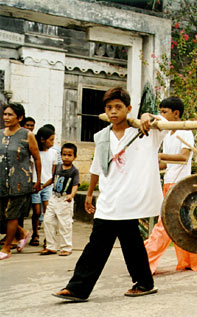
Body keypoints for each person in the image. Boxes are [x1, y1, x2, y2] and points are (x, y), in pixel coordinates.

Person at [53, 87, 166, 301]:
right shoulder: (104, 136)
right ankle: (141, 283)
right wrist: (89, 194)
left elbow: (162, 122)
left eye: (118, 107)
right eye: (109, 108)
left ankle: (81, 288)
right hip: (109, 198)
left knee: (118, 244)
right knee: (112, 243)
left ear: (128, 109)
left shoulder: (144, 131)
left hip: (130, 199)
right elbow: (97, 166)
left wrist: (146, 116)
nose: (113, 112)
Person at [144, 96, 197, 273]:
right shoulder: (167, 134)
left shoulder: (185, 131)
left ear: (176, 113)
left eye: (164, 112)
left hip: (180, 185)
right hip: (169, 182)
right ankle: (195, 258)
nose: (161, 115)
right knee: (182, 224)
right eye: (160, 112)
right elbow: (167, 163)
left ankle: (145, 259)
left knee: (166, 225)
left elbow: (183, 158)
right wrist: (151, 163)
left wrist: (160, 157)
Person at [0, 103, 41, 260]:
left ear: (20, 117)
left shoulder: (27, 134)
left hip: (19, 181)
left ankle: (7, 247)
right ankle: (22, 233)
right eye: (5, 114)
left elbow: (36, 158)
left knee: (12, 215)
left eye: (10, 115)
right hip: (1, 181)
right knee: (3, 215)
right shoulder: (0, 134)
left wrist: (37, 180)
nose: (6, 118)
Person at [40, 143, 80, 256]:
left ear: (74, 157)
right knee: (48, 221)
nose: (66, 157)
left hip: (65, 199)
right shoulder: (58, 167)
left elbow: (75, 185)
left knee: (65, 224)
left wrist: (71, 195)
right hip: (54, 197)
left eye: (69, 155)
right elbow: (52, 179)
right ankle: (50, 246)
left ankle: (66, 247)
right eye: (64, 154)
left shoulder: (74, 171)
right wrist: (42, 186)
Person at [29, 126, 56, 246]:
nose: (52, 142)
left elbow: (53, 173)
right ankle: (35, 233)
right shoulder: (34, 153)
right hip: (35, 185)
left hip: (47, 185)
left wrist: (45, 185)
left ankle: (48, 237)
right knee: (36, 212)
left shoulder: (54, 153)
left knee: (48, 212)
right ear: (42, 139)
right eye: (51, 139)